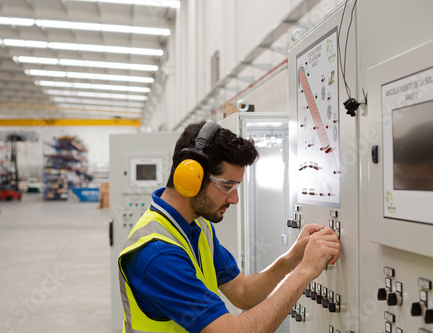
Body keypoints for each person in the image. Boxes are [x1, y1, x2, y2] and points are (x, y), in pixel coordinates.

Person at [118, 120, 340, 333]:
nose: (234, 199)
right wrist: (305, 271)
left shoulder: (196, 228)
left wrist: (292, 259)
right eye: (227, 186)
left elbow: (243, 292)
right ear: (190, 178)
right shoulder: (157, 254)